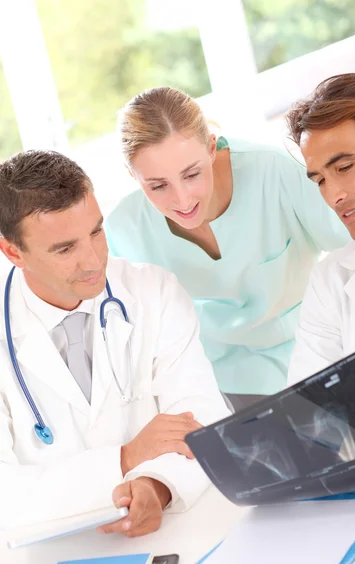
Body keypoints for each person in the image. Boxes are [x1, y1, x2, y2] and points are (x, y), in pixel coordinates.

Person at [0, 149, 229, 534]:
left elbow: (200, 418)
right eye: (65, 248)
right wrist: (125, 459)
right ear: (12, 252)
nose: (93, 261)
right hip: (44, 557)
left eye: (96, 231)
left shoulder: (153, 292)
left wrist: (156, 485)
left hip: (169, 528)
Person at [105, 87, 349, 404]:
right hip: (218, 381)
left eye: (191, 174)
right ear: (131, 174)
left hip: (319, 352)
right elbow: (140, 338)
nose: (182, 200)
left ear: (210, 147)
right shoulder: (125, 229)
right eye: (158, 185)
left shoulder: (277, 173)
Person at [285, 72, 355, 473]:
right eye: (319, 180)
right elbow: (307, 414)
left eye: (345, 167)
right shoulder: (331, 279)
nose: (333, 196)